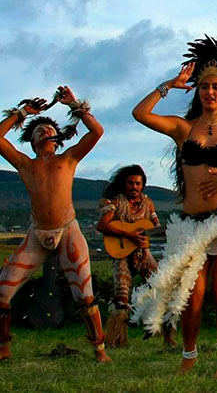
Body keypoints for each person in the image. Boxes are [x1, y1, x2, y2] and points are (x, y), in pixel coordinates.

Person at [130, 36, 217, 378]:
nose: (209, 92)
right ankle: (188, 355)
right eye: (204, 87)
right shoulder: (183, 128)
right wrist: (169, 85)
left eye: (216, 87)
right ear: (198, 91)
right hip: (193, 224)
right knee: (192, 293)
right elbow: (139, 113)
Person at [0, 87, 109, 362]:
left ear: (57, 139)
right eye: (38, 130)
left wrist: (74, 104)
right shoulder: (25, 165)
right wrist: (23, 113)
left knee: (84, 295)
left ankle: (99, 349)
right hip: (38, 233)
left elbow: (96, 132)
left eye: (49, 128)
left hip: (68, 228)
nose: (44, 131)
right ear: (31, 140)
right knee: (2, 291)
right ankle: (3, 347)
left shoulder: (68, 159)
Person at [97, 164, 175, 347]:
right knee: (121, 297)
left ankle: (167, 337)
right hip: (122, 253)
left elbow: (156, 227)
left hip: (143, 254)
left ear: (143, 185)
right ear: (124, 184)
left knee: (163, 288)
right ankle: (116, 339)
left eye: (138, 184)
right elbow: (102, 225)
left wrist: (171, 230)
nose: (134, 187)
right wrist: (129, 234)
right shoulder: (116, 203)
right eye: (131, 183)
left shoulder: (148, 204)